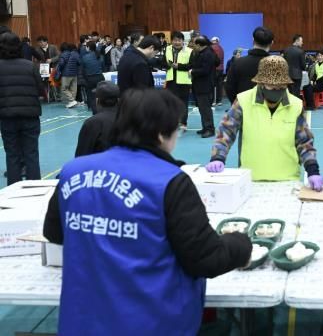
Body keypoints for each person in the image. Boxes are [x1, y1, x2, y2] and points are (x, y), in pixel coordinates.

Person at [43, 88, 252, 335]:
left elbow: (54, 233)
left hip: (82, 321)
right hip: (150, 321)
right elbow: (204, 258)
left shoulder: (72, 172)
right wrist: (241, 245)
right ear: (162, 134)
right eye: (177, 129)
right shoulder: (168, 181)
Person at [206, 56, 323, 188]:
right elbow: (226, 131)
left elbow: (304, 141)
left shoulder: (295, 104)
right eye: (272, 87)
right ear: (261, 83)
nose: (276, 90)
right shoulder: (243, 101)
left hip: (288, 179)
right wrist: (218, 157)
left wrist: (313, 170)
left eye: (281, 86)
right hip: (251, 178)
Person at [0, 30, 42, 185]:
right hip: (30, 115)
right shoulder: (30, 66)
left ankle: (13, 190)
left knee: (12, 155)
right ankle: (35, 189)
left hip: (7, 116)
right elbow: (40, 90)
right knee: (31, 154)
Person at [225, 27, 274, 104]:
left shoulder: (237, 63)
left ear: (253, 41)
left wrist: (238, 104)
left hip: (243, 106)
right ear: (272, 43)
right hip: (268, 108)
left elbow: (229, 88)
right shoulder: (276, 64)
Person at [74, 81, 119, 157]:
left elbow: (81, 155)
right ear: (118, 100)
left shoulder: (92, 123)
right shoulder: (129, 119)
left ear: (97, 101)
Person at [165, 31, 194, 130]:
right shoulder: (167, 49)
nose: (177, 42)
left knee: (183, 103)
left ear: (183, 41)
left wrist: (179, 66)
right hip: (171, 81)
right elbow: (163, 62)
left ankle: (183, 123)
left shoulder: (190, 51)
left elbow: (192, 66)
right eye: (175, 40)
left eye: (179, 40)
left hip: (184, 82)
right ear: (171, 41)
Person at [191, 36, 218, 138]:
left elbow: (205, 70)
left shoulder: (208, 54)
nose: (192, 45)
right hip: (201, 85)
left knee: (205, 109)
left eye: (194, 43)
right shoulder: (204, 52)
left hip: (204, 85)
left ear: (199, 45)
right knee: (202, 108)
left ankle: (210, 129)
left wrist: (193, 71)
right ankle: (205, 127)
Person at [81, 40, 105, 114]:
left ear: (88, 47)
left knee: (92, 96)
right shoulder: (100, 56)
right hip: (100, 77)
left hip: (90, 78)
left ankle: (94, 112)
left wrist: (86, 79)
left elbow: (83, 70)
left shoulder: (85, 57)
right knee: (101, 95)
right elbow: (103, 67)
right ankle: (103, 109)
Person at [57, 42, 80, 109]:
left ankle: (72, 100)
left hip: (66, 74)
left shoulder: (63, 54)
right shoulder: (74, 54)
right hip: (74, 73)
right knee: (73, 88)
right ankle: (72, 101)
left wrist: (59, 69)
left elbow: (61, 64)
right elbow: (79, 62)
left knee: (64, 88)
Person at [210, 36, 225, 105]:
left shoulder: (211, 48)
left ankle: (213, 101)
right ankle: (219, 101)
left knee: (213, 85)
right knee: (219, 85)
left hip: (214, 69)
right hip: (221, 69)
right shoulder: (221, 48)